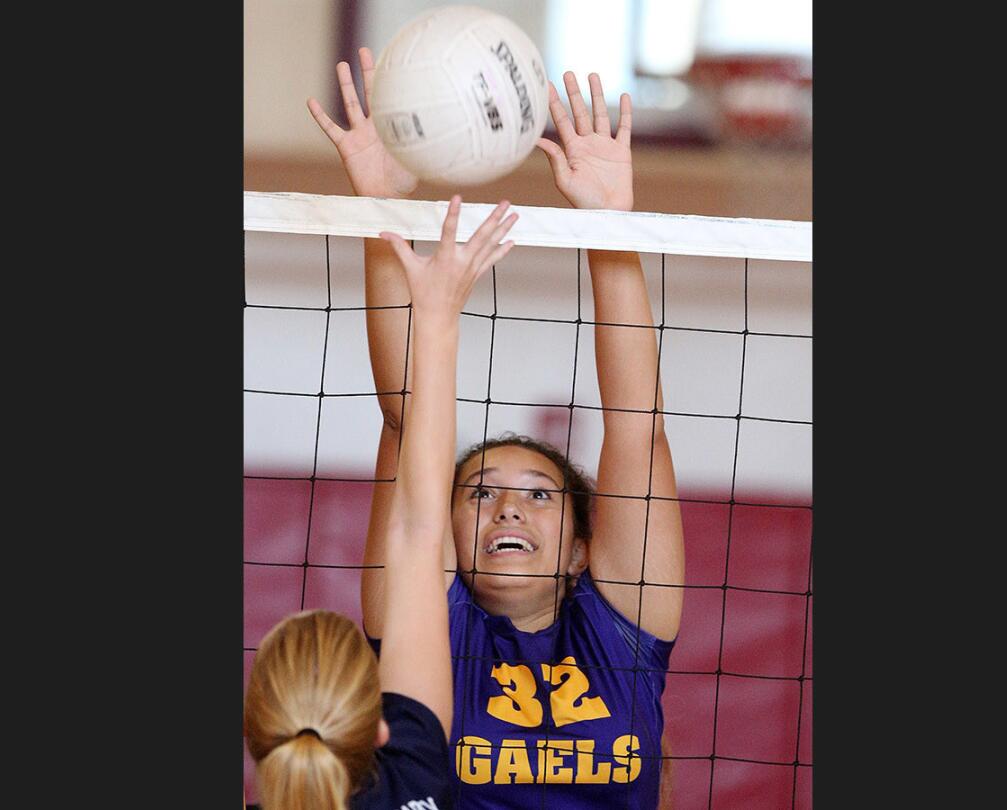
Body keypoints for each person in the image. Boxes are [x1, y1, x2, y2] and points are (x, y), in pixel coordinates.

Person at [309, 49, 684, 808]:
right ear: (446, 531)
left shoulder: (624, 632)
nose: (509, 508)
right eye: (479, 493)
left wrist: (610, 223)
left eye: (542, 496)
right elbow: (406, 415)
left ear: (584, 547)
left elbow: (637, 429)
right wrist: (383, 212)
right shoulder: (428, 624)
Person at [244, 196, 520, 809]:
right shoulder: (414, 774)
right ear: (381, 730)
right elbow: (419, 530)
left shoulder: (412, 762)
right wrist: (439, 314)